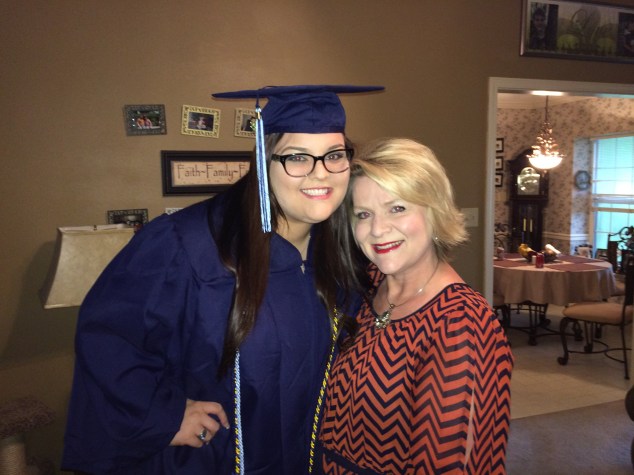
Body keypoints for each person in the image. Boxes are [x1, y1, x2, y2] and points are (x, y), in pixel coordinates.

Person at [61, 84, 383, 474]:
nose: (321, 173)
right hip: (213, 459)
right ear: (263, 159)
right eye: (297, 157)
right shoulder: (187, 243)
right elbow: (110, 338)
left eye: (334, 155)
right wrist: (163, 414)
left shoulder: (346, 247)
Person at [318, 138, 514, 474]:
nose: (377, 229)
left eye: (397, 208)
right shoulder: (366, 286)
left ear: (435, 211)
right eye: (364, 214)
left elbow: (452, 465)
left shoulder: (462, 325)